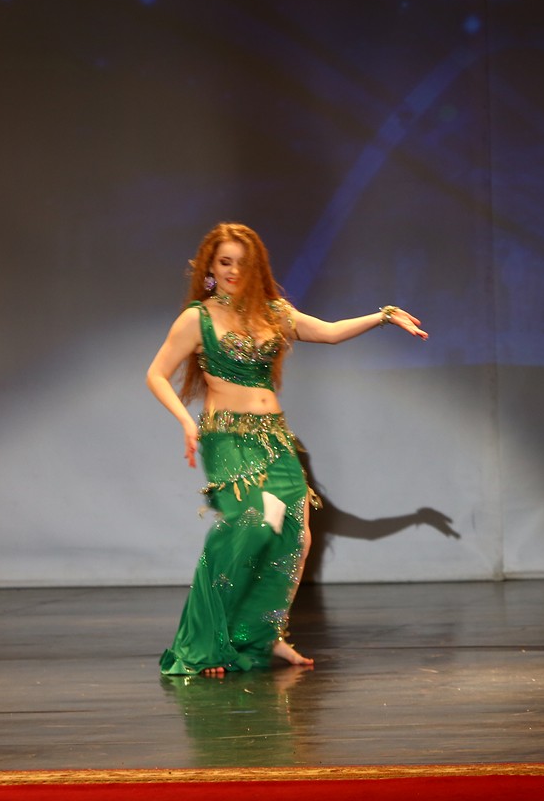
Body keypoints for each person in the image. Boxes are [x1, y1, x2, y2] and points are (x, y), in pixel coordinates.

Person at [146, 222, 427, 677]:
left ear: (256, 267)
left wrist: (384, 315)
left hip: (274, 437)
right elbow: (157, 373)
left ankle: (263, 635)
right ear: (210, 268)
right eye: (225, 262)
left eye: (242, 263)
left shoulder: (273, 313)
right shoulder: (198, 318)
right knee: (251, 524)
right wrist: (184, 420)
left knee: (297, 536)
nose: (233, 271)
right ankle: (204, 642)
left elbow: (329, 332)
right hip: (227, 436)